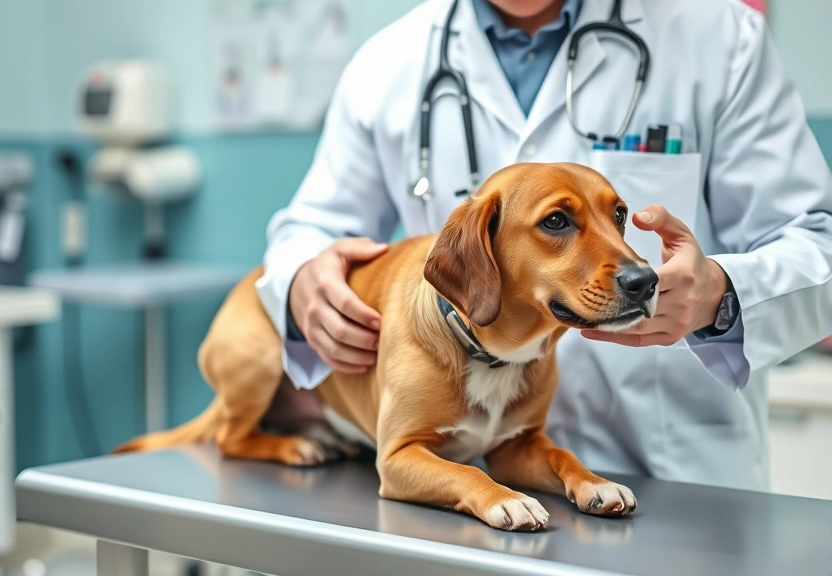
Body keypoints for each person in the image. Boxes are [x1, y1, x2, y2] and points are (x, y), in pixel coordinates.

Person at [254, 0, 832, 491]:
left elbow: (817, 241)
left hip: (673, 480)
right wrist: (305, 278)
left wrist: (721, 296)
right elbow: (310, 230)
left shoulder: (718, 37)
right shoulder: (388, 64)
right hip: (464, 490)